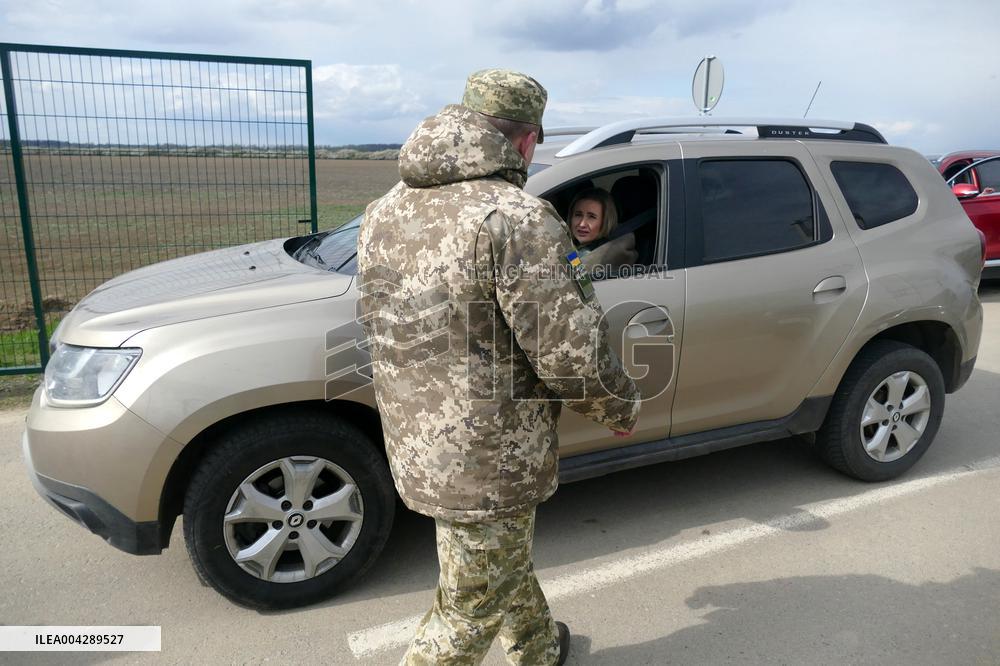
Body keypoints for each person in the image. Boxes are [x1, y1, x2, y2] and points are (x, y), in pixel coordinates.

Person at [357, 68, 641, 665]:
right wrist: (617, 406)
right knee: (469, 608)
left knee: (492, 561)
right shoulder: (518, 218)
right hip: (491, 452)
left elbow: (373, 314)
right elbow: (568, 348)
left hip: (416, 435)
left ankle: (538, 649)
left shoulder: (385, 209)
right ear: (527, 139)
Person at [567, 187, 638, 273]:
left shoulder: (602, 255)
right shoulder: (573, 248)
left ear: (605, 221)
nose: (582, 224)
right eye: (578, 215)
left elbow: (580, 279)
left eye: (591, 217)